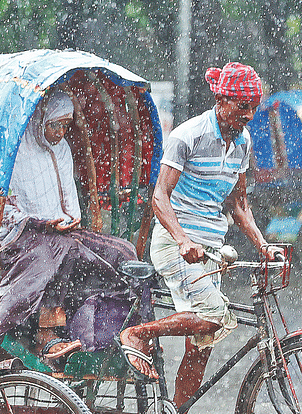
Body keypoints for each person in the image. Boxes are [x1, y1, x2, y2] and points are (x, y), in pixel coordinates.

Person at [119, 62, 279, 408]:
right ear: (221, 100)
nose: (249, 115)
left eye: (254, 108)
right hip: (174, 242)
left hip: (211, 251)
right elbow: (159, 196)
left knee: (201, 346)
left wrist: (263, 246)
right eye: (242, 107)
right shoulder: (187, 136)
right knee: (214, 316)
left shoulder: (243, 142)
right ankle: (137, 334)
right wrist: (182, 240)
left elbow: (239, 207)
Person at [0, 90, 139, 365]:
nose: (60, 132)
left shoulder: (63, 149)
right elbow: (1, 210)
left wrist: (70, 219)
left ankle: (124, 331)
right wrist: (39, 222)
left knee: (123, 251)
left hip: (61, 230)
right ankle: (46, 336)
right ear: (40, 120)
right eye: (54, 124)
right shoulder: (16, 150)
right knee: (63, 249)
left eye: (65, 126)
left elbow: (69, 201)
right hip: (20, 236)